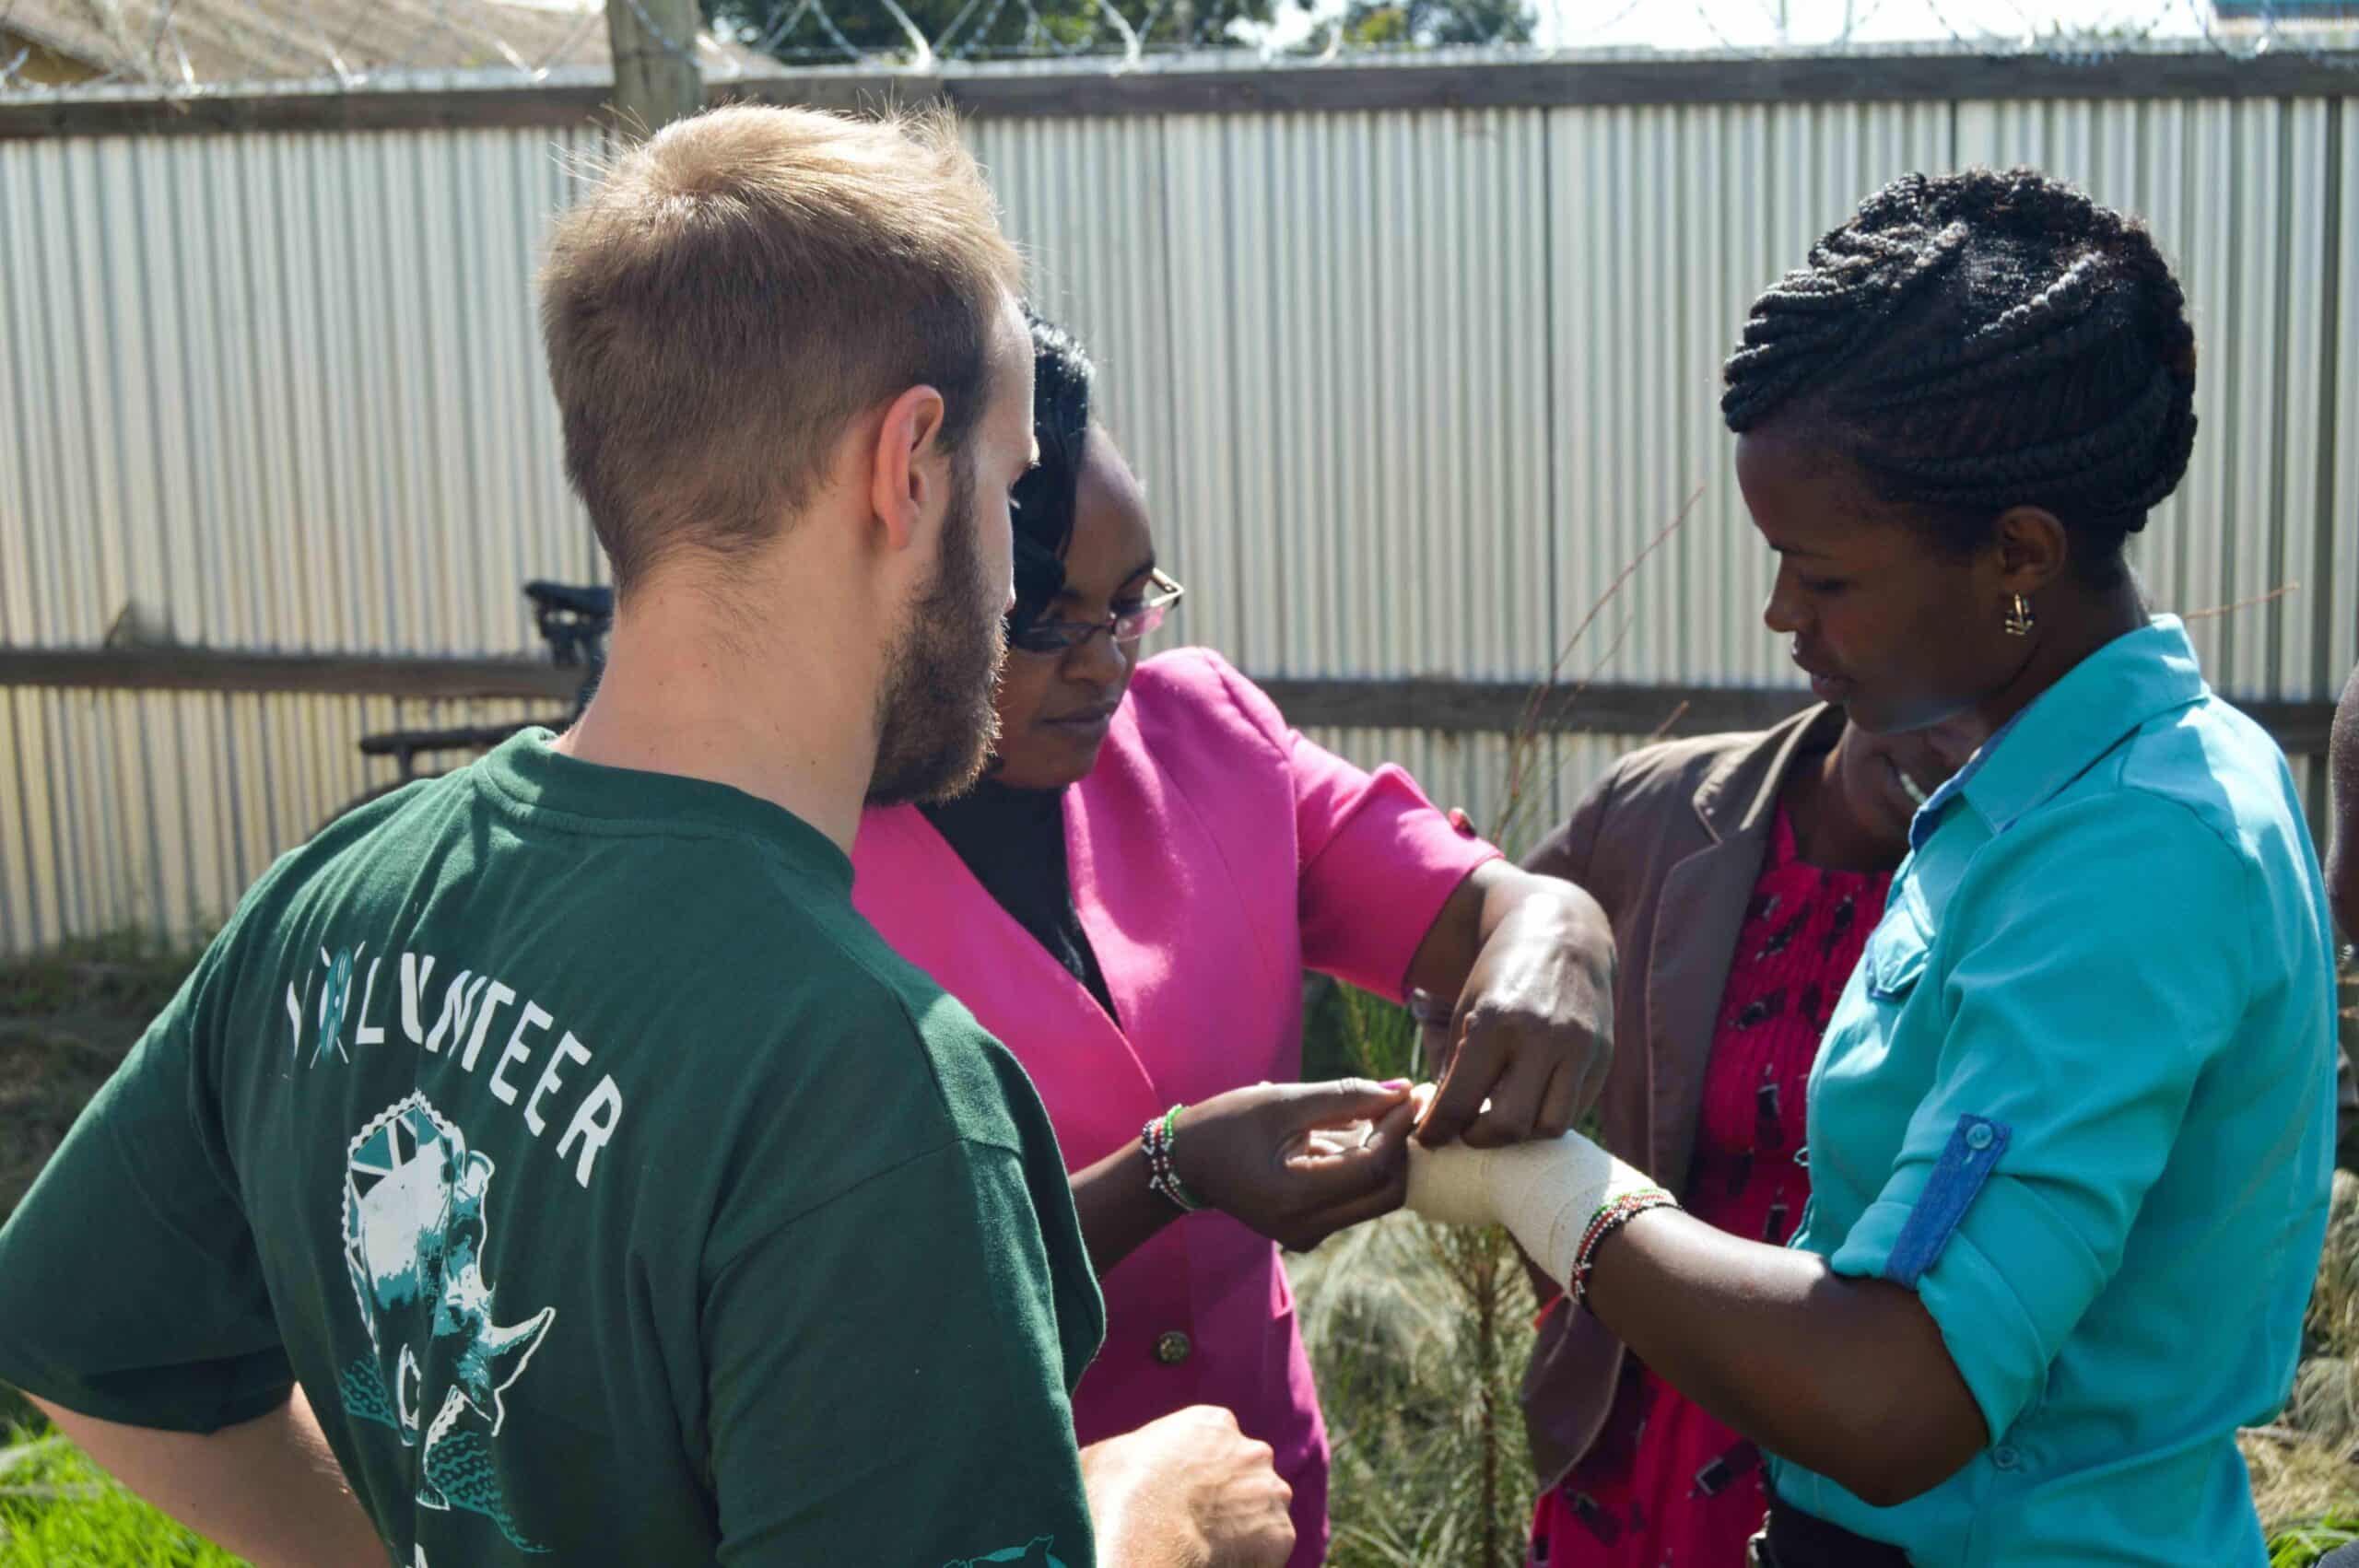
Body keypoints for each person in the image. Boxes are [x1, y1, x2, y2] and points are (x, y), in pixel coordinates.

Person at [0, 105, 1293, 1568]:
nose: (1009, 583)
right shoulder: (878, 1089)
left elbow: (84, 1340)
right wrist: (1155, 1525)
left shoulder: (334, 896)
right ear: (908, 467)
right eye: (1006, 490)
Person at [1406, 168, 2338, 1567]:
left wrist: (1542, 1186)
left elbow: (1897, 1392)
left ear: (2019, 556)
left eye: (1824, 575)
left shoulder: (2139, 852)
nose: (1781, 613)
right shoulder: (2036, 788)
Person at [851, 313, 1618, 1564]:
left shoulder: (1202, 738)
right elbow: (873, 1308)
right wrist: (1177, 1171)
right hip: (1019, 1526)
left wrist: (1558, 934)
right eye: (1047, 619)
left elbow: (1478, 906)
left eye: (1131, 599)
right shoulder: (810, 855)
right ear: (932, 585)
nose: (1106, 662)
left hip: (1267, 1500)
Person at [1511, 708, 1974, 1566]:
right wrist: (1548, 1218)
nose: (1943, 750)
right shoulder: (1662, 808)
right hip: (1642, 1375)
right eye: (1926, 710)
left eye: (1982, 721)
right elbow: (1471, 962)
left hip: (1844, 1406)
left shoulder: (2006, 877)